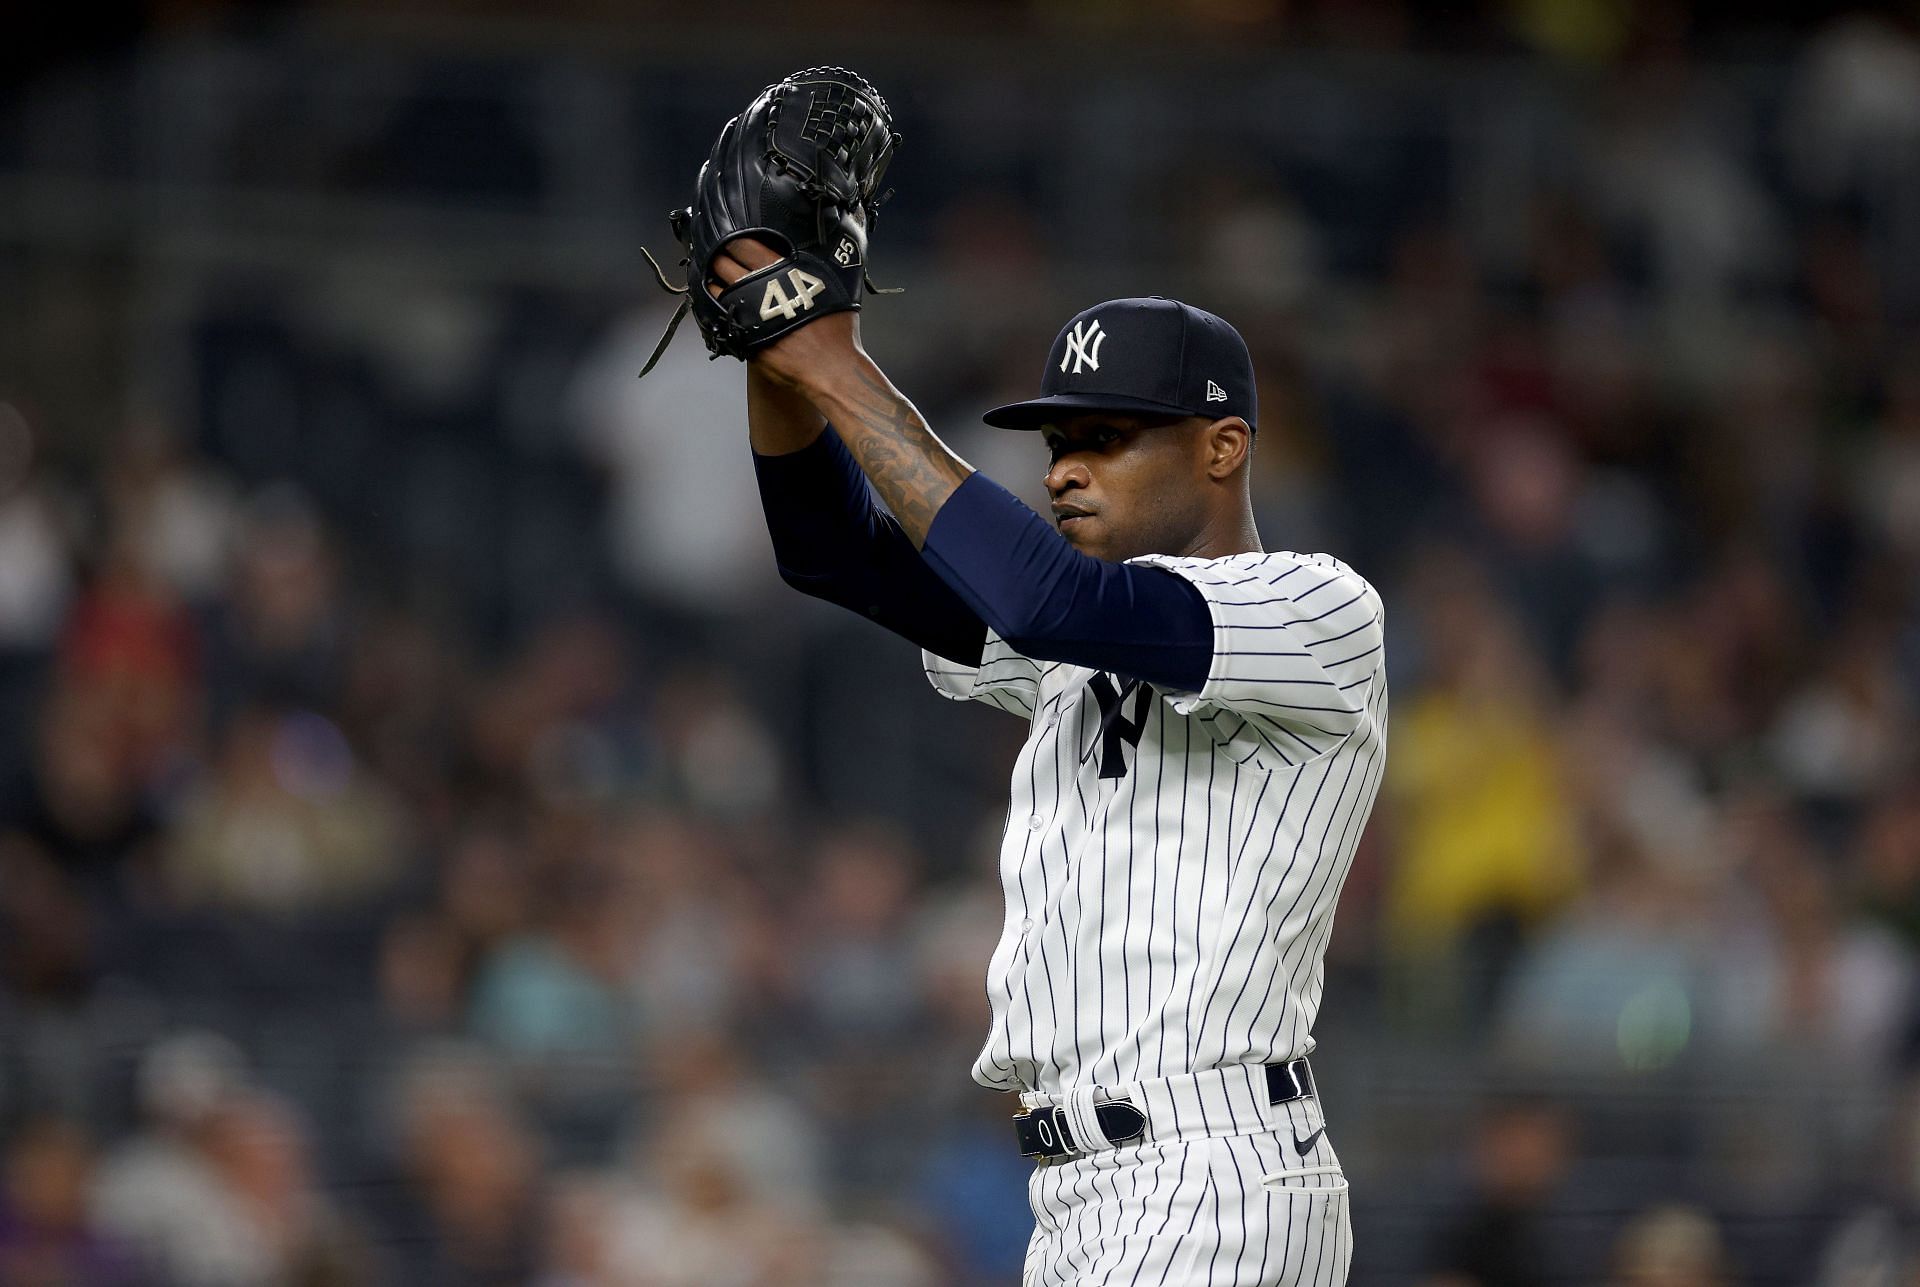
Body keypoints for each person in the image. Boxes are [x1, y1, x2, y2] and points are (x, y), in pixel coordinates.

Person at [720, 232, 1387, 1284]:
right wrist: (776, 357)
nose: (1065, 467)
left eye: (1109, 437)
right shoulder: (1070, 650)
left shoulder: (1316, 609)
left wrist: (835, 357)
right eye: (1058, 440)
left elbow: (1044, 598)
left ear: (1222, 448)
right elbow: (832, 553)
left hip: (1213, 1172)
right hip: (1082, 1198)